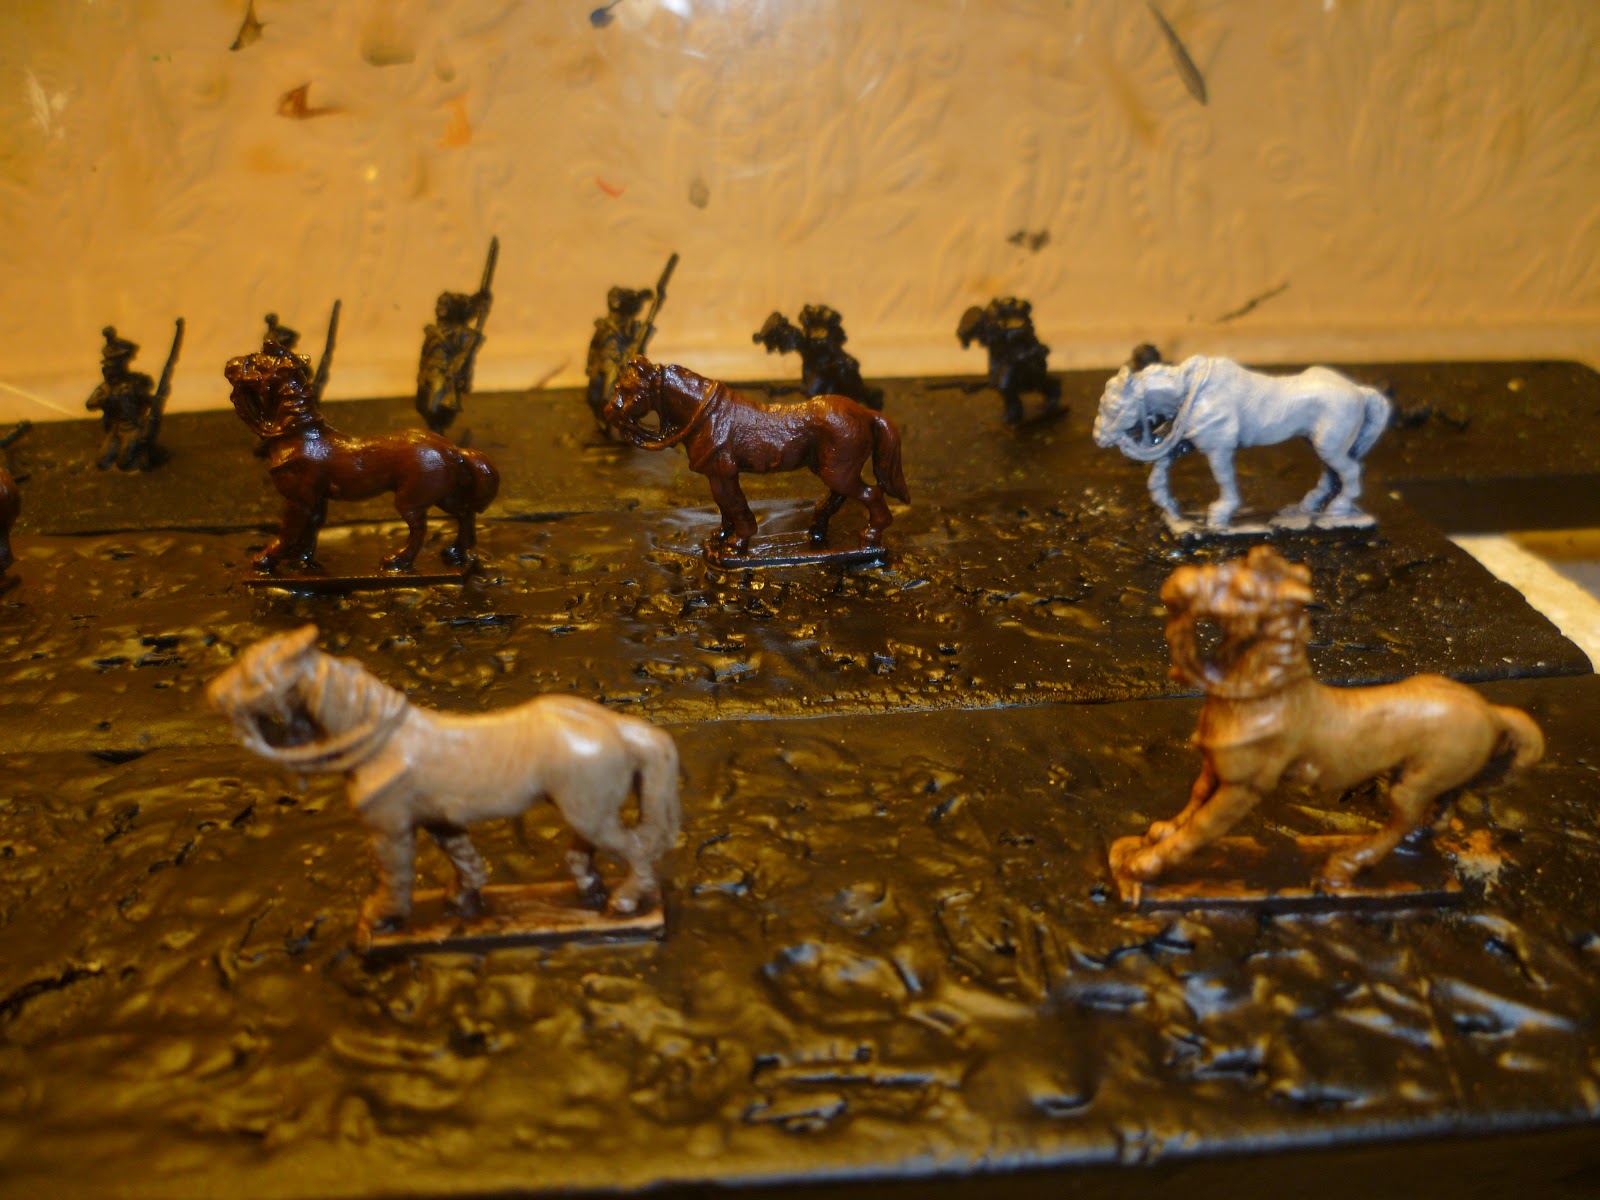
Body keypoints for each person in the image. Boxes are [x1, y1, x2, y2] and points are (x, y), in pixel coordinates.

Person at [415, 289, 491, 434]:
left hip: (443, 377)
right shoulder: (434, 332)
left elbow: (466, 358)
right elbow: (425, 355)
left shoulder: (461, 334)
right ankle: (434, 435)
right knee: (426, 406)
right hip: (428, 376)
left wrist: (479, 303)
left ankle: (437, 435)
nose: (440, 308)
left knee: (437, 409)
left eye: (445, 305)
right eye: (440, 304)